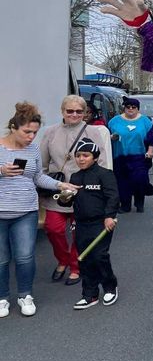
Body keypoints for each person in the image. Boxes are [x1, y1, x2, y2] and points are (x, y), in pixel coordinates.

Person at [1, 102, 79, 318]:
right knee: (2, 259)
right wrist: (1, 171)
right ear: (13, 127)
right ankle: (2, 297)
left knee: (25, 257)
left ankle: (25, 295)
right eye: (27, 132)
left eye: (35, 133)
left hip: (26, 211)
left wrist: (60, 185)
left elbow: (38, 177)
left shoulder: (33, 149)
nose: (31, 137)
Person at [39, 95, 113, 287]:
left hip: (85, 191)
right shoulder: (50, 132)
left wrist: (100, 191)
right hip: (58, 190)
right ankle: (63, 259)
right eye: (70, 111)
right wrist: (46, 184)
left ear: (85, 113)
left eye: (79, 111)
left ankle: (75, 266)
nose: (74, 114)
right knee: (53, 229)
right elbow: (43, 164)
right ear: (62, 111)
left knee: (79, 232)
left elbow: (102, 163)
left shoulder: (93, 131)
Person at [68, 139, 120, 310]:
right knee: (84, 259)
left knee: (99, 256)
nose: (81, 159)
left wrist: (109, 216)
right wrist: (64, 197)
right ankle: (90, 294)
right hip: (81, 224)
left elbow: (113, 196)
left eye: (85, 155)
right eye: (78, 156)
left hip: (101, 223)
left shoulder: (105, 174)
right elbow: (68, 202)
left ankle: (110, 287)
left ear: (95, 157)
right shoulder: (75, 177)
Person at [107, 97, 153, 213]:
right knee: (122, 182)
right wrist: (111, 137)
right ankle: (125, 205)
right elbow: (105, 136)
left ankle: (139, 202)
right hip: (119, 156)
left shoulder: (145, 121)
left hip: (139, 156)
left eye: (133, 107)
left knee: (139, 179)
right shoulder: (114, 121)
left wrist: (150, 150)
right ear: (124, 108)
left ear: (138, 109)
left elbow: (152, 138)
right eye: (128, 107)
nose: (130, 109)